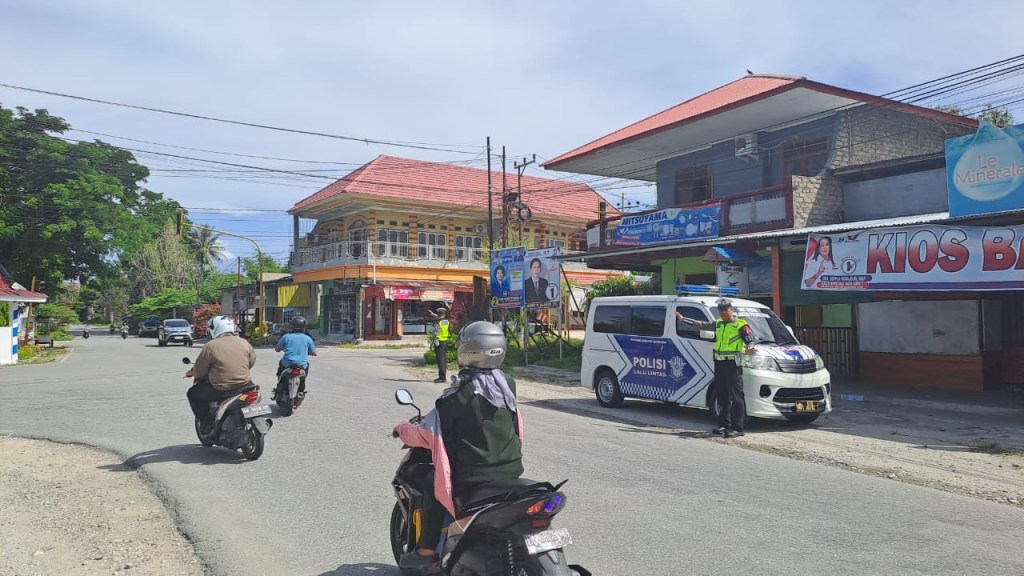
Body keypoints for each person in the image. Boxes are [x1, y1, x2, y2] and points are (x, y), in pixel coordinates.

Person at [393, 321, 524, 572]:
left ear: (467, 350)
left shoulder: (457, 395)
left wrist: (401, 429)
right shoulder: (508, 384)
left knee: (431, 483)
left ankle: (426, 551)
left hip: (474, 477)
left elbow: (428, 433)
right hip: (512, 471)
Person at [675, 299, 756, 438]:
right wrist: (683, 319)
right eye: (721, 310)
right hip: (719, 363)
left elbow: (750, 340)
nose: (724, 313)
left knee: (736, 396)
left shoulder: (740, 325)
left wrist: (750, 348)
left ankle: (737, 428)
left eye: (726, 310)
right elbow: (701, 325)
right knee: (722, 395)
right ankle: (724, 425)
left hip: (733, 364)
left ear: (731, 310)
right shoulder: (718, 323)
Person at [184, 315, 257, 432]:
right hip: (246, 385)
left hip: (223, 390)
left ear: (215, 329)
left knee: (193, 393)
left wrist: (192, 373)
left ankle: (206, 423)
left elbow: (200, 371)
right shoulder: (244, 343)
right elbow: (251, 362)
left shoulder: (211, 346)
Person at [274, 316, 317, 392]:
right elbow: (313, 352)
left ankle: (279, 382)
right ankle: (301, 386)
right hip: (302, 365)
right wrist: (310, 353)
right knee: (306, 367)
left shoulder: (286, 337)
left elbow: (277, 349)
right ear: (304, 327)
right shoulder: (308, 338)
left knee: (281, 364)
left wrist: (283, 349)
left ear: (292, 326)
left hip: (287, 364)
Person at [427, 307, 451, 383]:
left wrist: (431, 344)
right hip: (445, 341)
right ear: (444, 313)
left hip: (439, 342)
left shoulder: (437, 322)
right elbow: (440, 318)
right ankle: (443, 376)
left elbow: (434, 332)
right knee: (443, 359)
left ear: (438, 313)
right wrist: (433, 314)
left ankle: (442, 378)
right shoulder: (446, 321)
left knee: (440, 360)